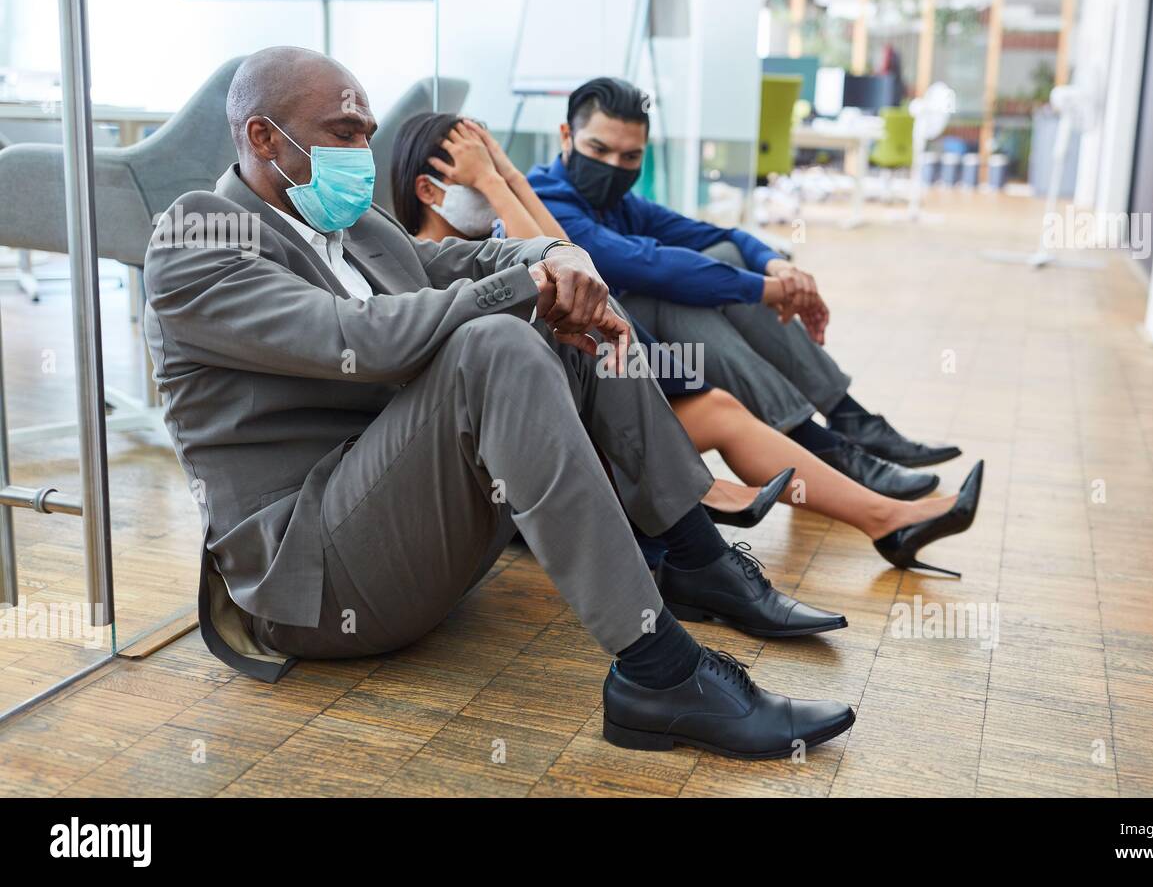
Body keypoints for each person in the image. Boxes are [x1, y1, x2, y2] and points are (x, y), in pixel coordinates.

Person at [144, 47, 857, 760]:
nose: (362, 150)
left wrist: (562, 259)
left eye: (366, 132)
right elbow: (361, 337)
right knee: (495, 343)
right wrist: (531, 286)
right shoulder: (199, 233)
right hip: (314, 582)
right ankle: (659, 673)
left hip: (398, 532)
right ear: (264, 137)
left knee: (577, 323)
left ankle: (698, 559)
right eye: (342, 132)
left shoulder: (354, 228)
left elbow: (471, 263)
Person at [389, 112, 985, 578]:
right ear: (431, 189)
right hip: (543, 448)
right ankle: (744, 491)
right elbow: (558, 279)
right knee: (695, 359)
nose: (494, 182)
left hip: (602, 399)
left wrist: (504, 176)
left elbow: (569, 258)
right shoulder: (427, 261)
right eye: (476, 174)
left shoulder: (497, 235)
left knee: (720, 405)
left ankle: (887, 518)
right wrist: (498, 183)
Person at [526, 77, 964, 502]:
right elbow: (649, 267)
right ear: (567, 135)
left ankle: (845, 423)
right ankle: (827, 440)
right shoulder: (544, 198)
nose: (613, 167)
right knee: (679, 296)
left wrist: (774, 266)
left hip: (656, 357)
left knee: (724, 257)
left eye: (630, 157)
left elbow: (719, 235)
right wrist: (764, 289)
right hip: (598, 365)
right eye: (598, 149)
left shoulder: (619, 203)